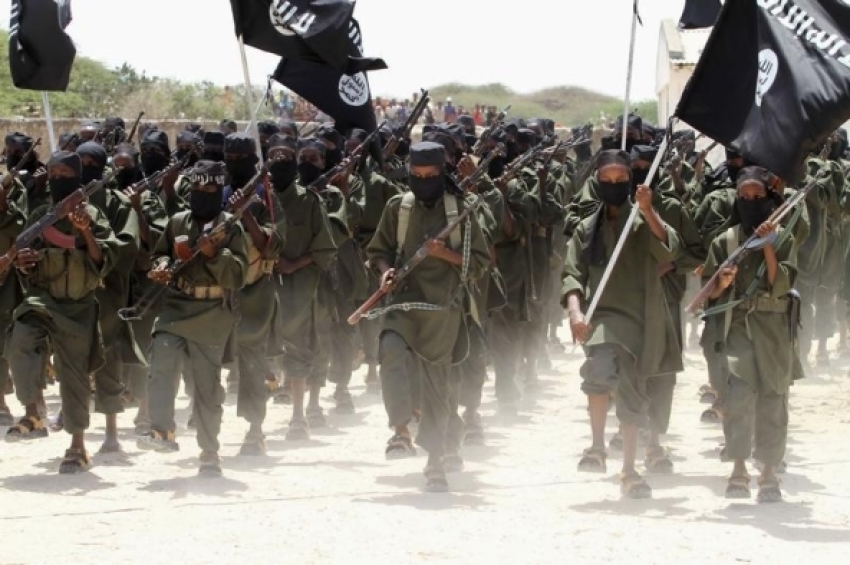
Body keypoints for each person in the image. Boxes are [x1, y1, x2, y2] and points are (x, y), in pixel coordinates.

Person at [366, 141, 490, 492]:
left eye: (431, 176)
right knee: (390, 347)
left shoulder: (461, 211)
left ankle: (436, 461)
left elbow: (480, 264)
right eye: (416, 176)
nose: (423, 182)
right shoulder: (398, 208)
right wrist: (385, 272)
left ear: (442, 174)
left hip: (443, 307)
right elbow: (378, 251)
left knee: (438, 385)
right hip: (403, 302)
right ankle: (401, 427)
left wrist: (444, 254)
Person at [563, 149, 683, 499]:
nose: (614, 186)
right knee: (598, 370)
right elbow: (572, 274)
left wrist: (648, 210)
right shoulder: (587, 228)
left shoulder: (642, 221)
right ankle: (597, 446)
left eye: (620, 181)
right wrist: (574, 312)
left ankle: (630, 469)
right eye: (607, 181)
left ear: (631, 182)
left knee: (633, 390)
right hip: (601, 316)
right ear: (597, 183)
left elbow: (669, 248)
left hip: (640, 317)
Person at [5, 150, 121, 473]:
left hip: (79, 306)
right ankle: (33, 410)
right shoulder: (42, 214)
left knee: (75, 378)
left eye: (64, 175)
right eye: (52, 175)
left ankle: (78, 447)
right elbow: (25, 261)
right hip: (43, 300)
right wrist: (23, 263)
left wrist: (84, 231)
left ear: (77, 178)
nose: (57, 180)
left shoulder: (94, 215)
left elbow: (103, 262)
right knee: (20, 336)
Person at [138, 160, 248, 476]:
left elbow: (239, 275)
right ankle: (161, 430)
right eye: (196, 188)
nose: (202, 194)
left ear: (219, 189)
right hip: (176, 305)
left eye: (209, 188)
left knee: (207, 388)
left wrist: (215, 253)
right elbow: (160, 253)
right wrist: (160, 267)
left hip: (213, 312)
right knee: (161, 360)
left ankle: (209, 451)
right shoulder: (177, 222)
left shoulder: (231, 227)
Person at [698, 166, 797, 503]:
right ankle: (738, 466)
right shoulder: (724, 241)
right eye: (745, 196)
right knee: (738, 395)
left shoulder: (784, 237)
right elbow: (707, 292)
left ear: (768, 199)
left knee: (772, 399)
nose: (751, 201)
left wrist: (768, 244)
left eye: (758, 196)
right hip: (737, 327)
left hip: (773, 331)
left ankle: (768, 472)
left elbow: (781, 283)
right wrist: (722, 283)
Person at [271, 137, 337, 440]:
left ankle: (302, 412)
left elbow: (325, 247)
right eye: (274, 157)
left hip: (304, 287)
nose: (280, 162)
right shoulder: (261, 201)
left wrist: (293, 265)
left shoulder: (311, 201)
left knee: (305, 345)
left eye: (287, 156)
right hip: (265, 287)